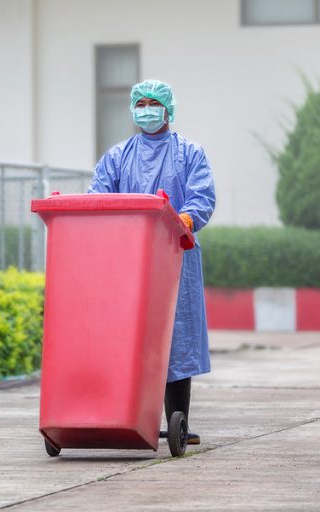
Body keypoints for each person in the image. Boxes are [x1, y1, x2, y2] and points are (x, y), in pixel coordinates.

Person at [87, 79, 216, 445]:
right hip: (126, 259)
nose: (147, 110)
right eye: (140, 104)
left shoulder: (189, 154)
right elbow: (98, 197)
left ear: (168, 109)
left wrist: (184, 219)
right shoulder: (117, 156)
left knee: (176, 335)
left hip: (174, 254)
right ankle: (126, 417)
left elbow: (202, 197)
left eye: (153, 103)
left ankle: (179, 423)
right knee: (127, 335)